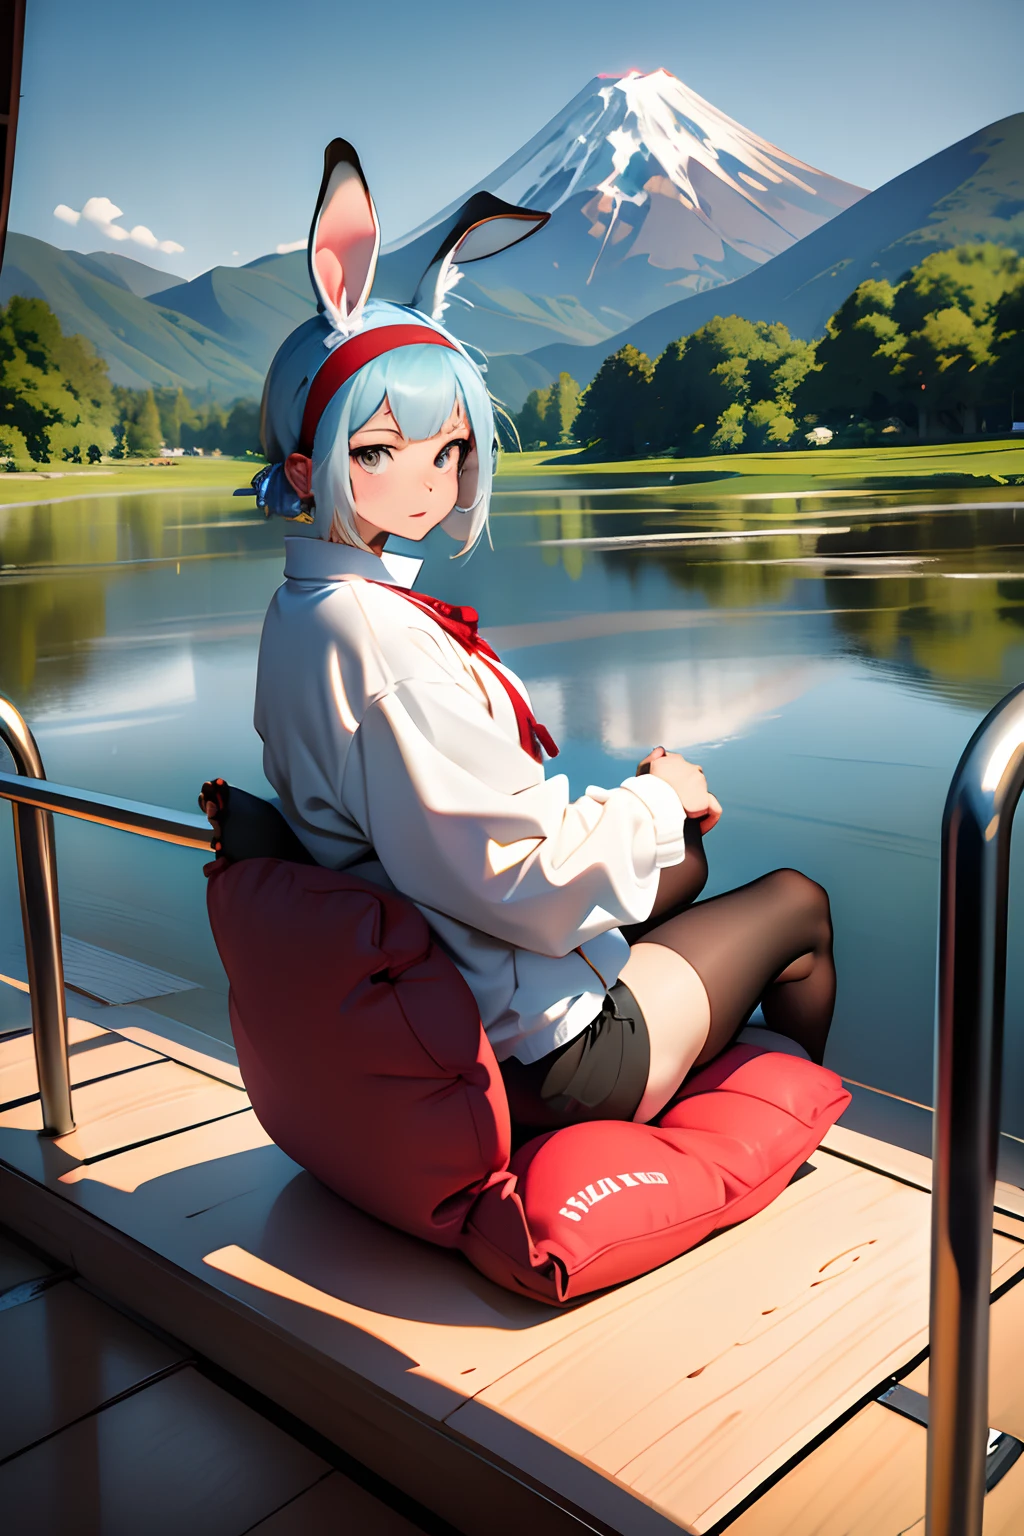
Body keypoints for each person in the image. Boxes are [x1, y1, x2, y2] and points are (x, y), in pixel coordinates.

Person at [228, 139, 836, 1132]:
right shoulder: (382, 644)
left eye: (454, 449)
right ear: (305, 471)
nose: (432, 481)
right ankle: (770, 1137)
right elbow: (512, 879)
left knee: (682, 860)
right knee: (797, 906)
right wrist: (652, 794)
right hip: (543, 1051)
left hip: (444, 970)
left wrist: (648, 816)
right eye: (380, 449)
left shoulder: (306, 615)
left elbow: (448, 833)